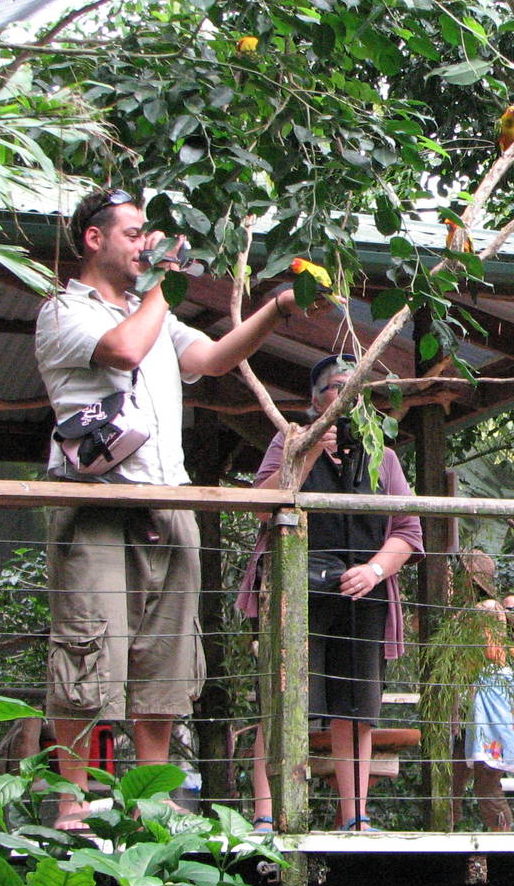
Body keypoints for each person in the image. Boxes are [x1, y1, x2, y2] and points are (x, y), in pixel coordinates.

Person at [34, 187, 308, 832]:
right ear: (93, 239)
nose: (145, 244)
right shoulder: (64, 311)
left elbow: (210, 360)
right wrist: (162, 282)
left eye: (147, 236)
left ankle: (149, 802)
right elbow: (124, 351)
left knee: (165, 657)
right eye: (133, 234)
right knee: (87, 650)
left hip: (168, 495)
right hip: (97, 501)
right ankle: (71, 805)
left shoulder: (150, 311)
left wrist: (276, 308)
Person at [238, 353, 423, 832]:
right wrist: (312, 449)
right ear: (313, 399)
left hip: (363, 591)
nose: (344, 395)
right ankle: (267, 813)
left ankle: (356, 817)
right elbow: (262, 505)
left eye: (354, 387)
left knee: (356, 708)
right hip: (297, 590)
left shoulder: (383, 454)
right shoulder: (290, 440)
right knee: (284, 700)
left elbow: (407, 529)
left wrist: (376, 570)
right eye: (334, 387)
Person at [463, 599, 514, 832]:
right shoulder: (481, 664)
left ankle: (503, 832)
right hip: (485, 732)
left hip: (497, 735)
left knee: (488, 785)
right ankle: (498, 830)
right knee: (484, 785)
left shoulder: (507, 667)